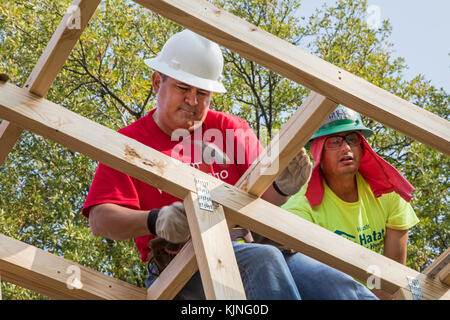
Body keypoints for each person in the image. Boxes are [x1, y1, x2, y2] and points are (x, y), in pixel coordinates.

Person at [82, 29, 376, 300]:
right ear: (158, 81)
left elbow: (259, 206)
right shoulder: (130, 142)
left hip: (250, 247)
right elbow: (101, 220)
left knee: (342, 289)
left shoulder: (228, 128)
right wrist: (154, 220)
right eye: (184, 88)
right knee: (264, 262)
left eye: (203, 93)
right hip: (182, 267)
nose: (193, 101)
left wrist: (280, 187)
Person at [282, 105, 419, 298]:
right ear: (318, 150)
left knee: (417, 289)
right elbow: (308, 279)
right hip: (326, 293)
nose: (346, 148)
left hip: (373, 293)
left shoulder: (387, 193)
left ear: (362, 148)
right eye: (335, 142)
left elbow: (392, 277)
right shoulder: (301, 208)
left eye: (352, 140)